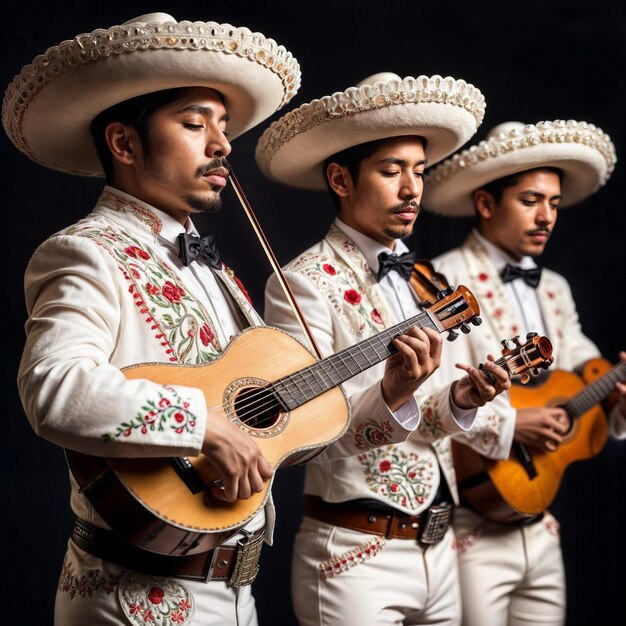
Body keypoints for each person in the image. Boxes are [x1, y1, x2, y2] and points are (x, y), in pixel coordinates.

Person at [6, 14, 458, 626]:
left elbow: (288, 432)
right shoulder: (85, 250)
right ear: (124, 143)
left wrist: (393, 393)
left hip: (236, 592)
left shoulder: (218, 273)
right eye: (195, 124)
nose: (222, 144)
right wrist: (204, 426)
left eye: (222, 128)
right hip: (131, 600)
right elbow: (51, 388)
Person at [258, 72, 513, 626]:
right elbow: (300, 434)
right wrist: (391, 392)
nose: (411, 190)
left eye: (419, 172)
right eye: (391, 170)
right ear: (340, 179)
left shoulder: (427, 279)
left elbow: (433, 419)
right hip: (354, 554)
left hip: (442, 549)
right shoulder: (301, 281)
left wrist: (464, 398)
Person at [422, 119, 626, 626]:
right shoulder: (443, 278)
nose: (546, 217)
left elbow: (585, 365)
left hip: (539, 518)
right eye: (531, 201)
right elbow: (435, 390)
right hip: (472, 515)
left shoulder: (553, 287)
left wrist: (616, 397)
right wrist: (515, 424)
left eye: (554, 204)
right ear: (486, 204)